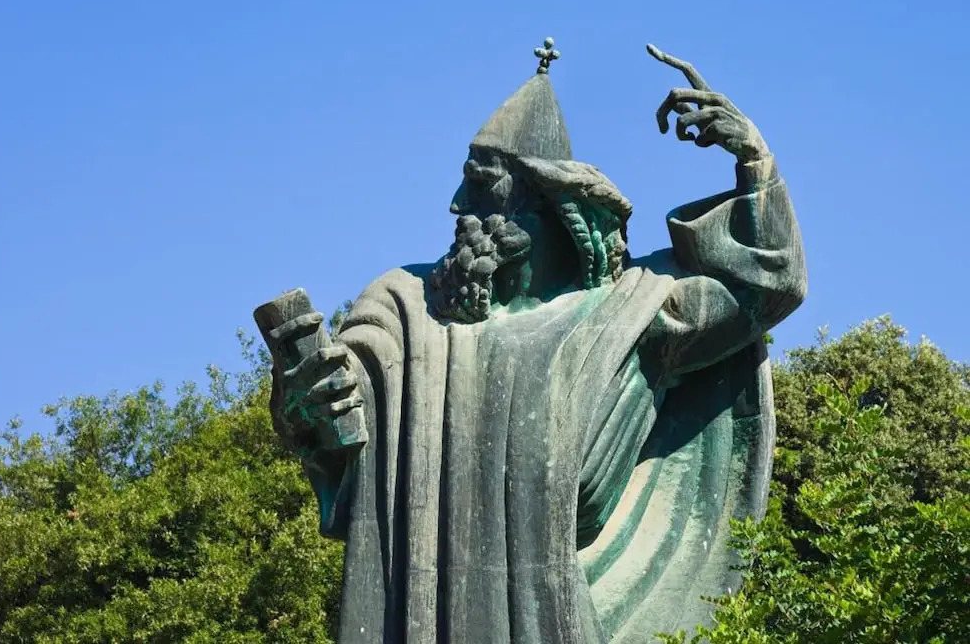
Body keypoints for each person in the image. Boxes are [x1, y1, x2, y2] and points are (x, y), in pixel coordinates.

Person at [266, 40, 807, 643]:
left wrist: (754, 162)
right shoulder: (404, 307)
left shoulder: (628, 314)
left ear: (540, 195)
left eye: (480, 183)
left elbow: (766, 287)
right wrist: (305, 402)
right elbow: (339, 422)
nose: (456, 204)